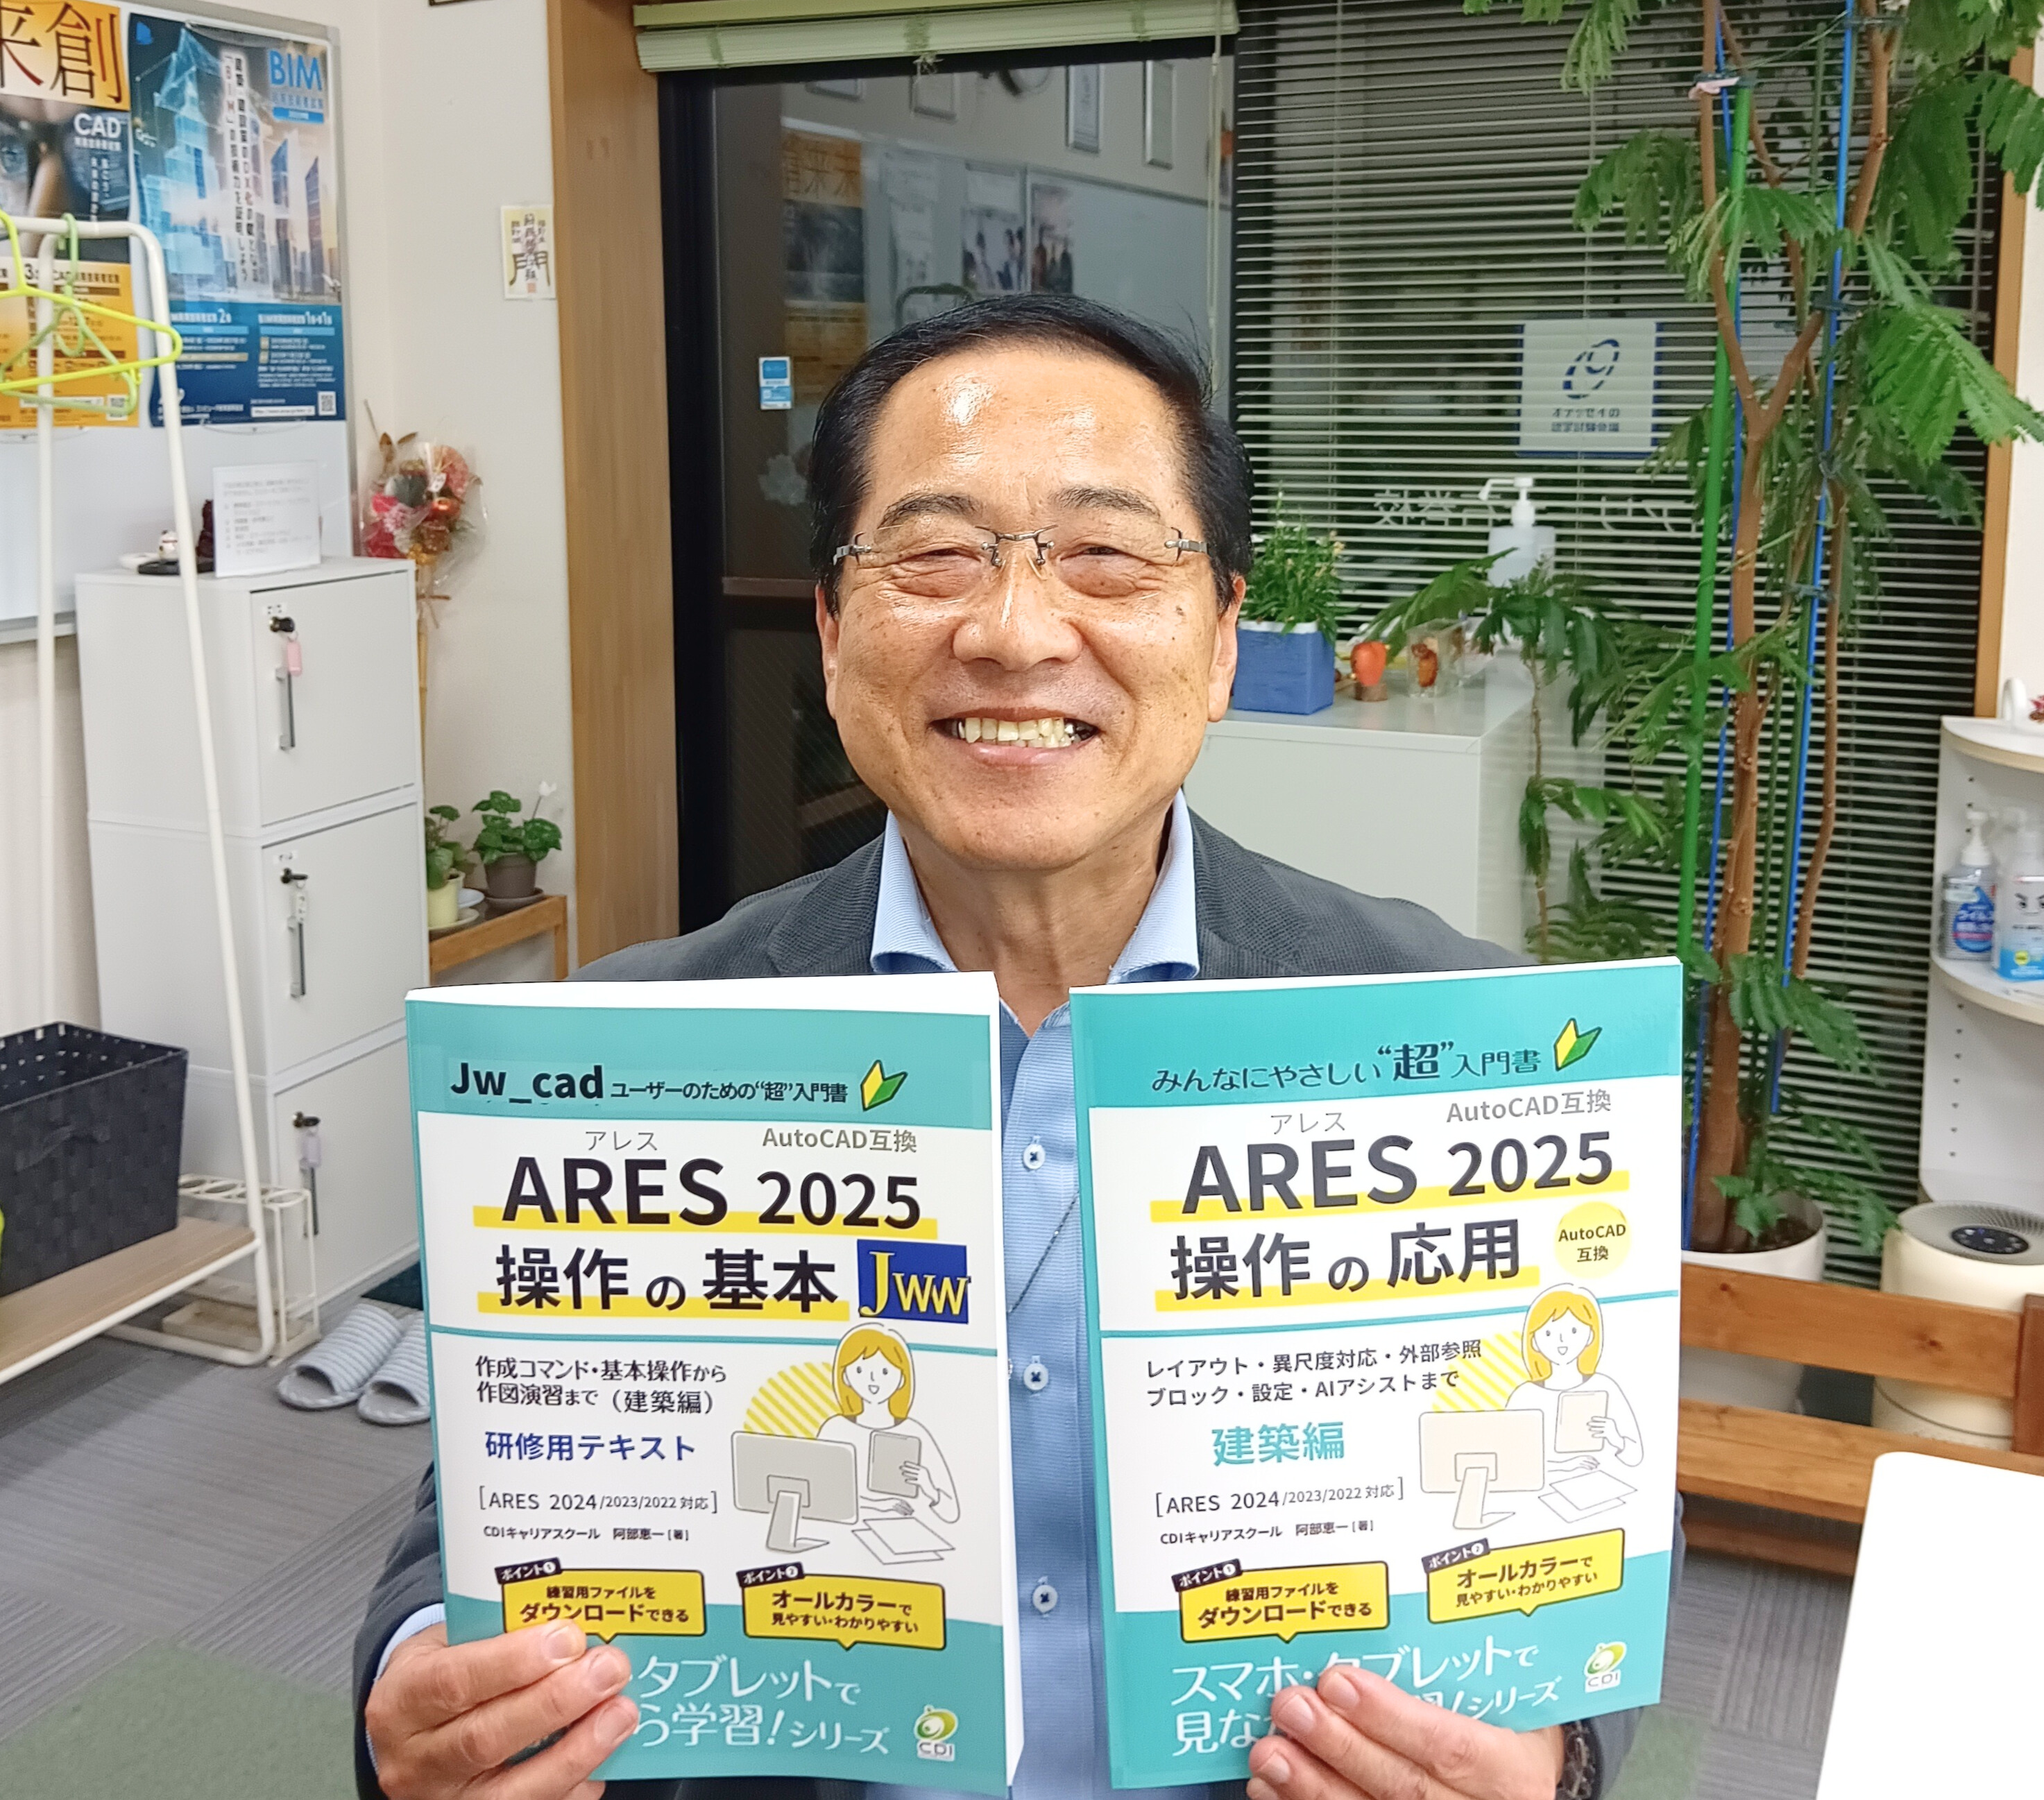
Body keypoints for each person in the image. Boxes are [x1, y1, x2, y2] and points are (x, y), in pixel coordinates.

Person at [355, 293, 1671, 1800]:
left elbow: (1599, 1496)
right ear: (834, 632)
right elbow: (493, 1496)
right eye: (934, 556)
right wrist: (432, 1689)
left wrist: (1549, 1757)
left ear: (1222, 638)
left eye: (1107, 555)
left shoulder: (1459, 1041)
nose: (1016, 631)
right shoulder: (625, 1056)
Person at [816, 1323, 962, 1527]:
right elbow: (820, 1496)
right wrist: (878, 1505)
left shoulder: (915, 1433)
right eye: (860, 1370)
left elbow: (952, 1513)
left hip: (904, 1534)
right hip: (841, 1535)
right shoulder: (835, 1429)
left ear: (902, 1379)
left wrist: (929, 1488)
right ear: (845, 1376)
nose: (873, 1379)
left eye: (885, 1371)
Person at [1507, 1285, 1646, 1481]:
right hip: (1542, 1491)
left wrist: (1616, 1439)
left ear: (1590, 1336)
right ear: (1534, 1342)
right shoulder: (1524, 1396)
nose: (1561, 1340)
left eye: (1573, 1331)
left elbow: (1636, 1457)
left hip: (1603, 1484)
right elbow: (1510, 1462)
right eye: (1548, 1333)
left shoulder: (1605, 1387)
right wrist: (1563, 1467)